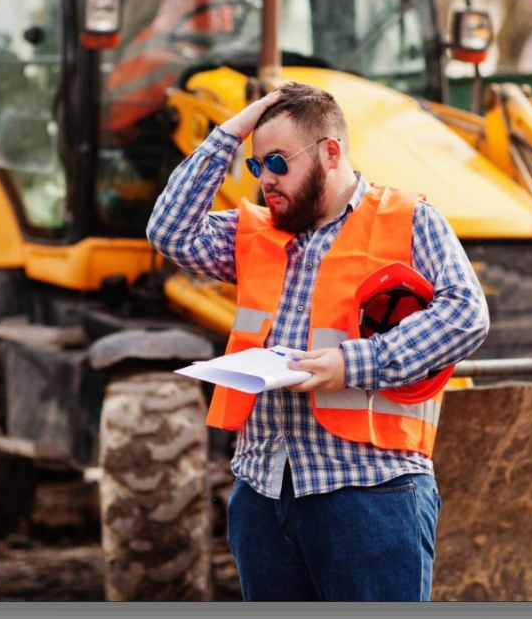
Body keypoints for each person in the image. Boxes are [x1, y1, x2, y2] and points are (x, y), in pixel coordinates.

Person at [146, 82, 490, 602]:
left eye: (278, 162)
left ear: (331, 153)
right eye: (257, 167)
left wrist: (355, 363)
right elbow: (170, 231)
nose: (266, 180)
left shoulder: (408, 219)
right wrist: (233, 132)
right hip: (262, 493)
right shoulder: (257, 232)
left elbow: (467, 314)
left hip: (370, 494)